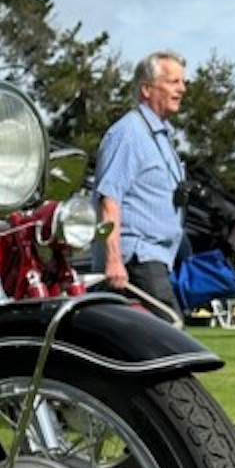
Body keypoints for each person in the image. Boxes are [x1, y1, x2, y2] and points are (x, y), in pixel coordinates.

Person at [93, 50, 189, 314]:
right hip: (138, 261)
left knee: (162, 347)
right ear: (146, 89)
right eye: (173, 82)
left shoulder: (161, 138)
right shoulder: (128, 134)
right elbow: (109, 199)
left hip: (158, 261)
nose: (182, 89)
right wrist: (113, 260)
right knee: (174, 343)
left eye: (182, 82)